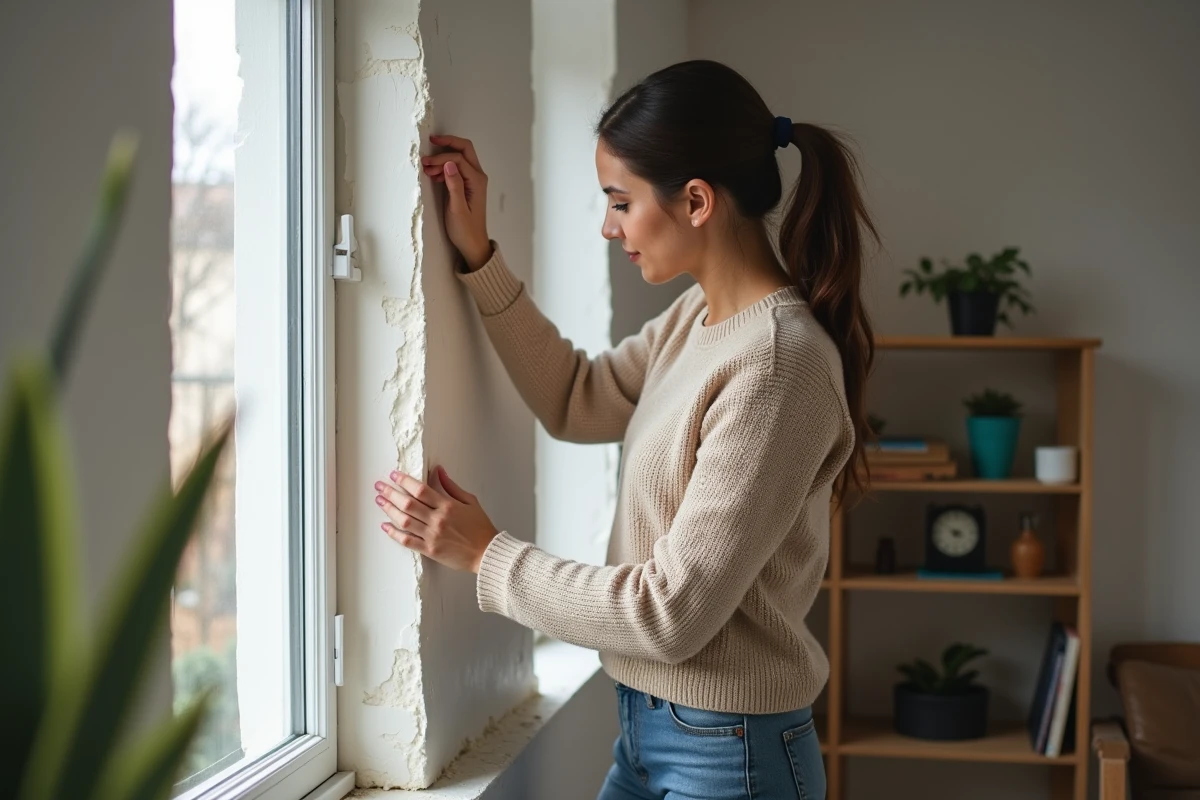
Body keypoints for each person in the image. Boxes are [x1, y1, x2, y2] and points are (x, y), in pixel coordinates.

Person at [371, 59, 876, 800]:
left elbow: (669, 614)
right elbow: (577, 398)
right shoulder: (697, 319)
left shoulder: (777, 364)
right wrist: (478, 255)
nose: (609, 227)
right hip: (651, 733)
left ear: (696, 200)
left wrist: (486, 555)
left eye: (621, 202)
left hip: (731, 756)